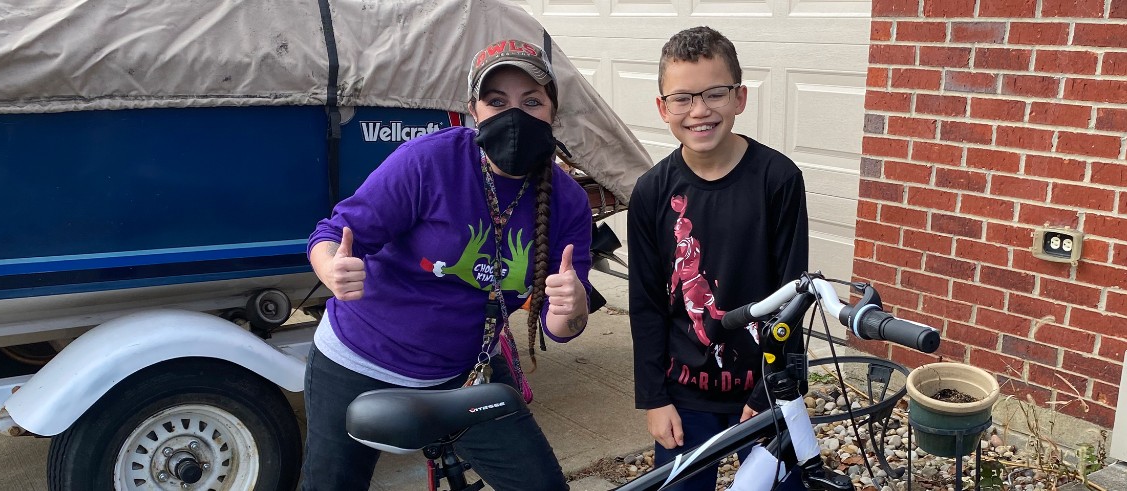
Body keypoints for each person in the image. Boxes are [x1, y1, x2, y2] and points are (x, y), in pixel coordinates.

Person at [300, 38, 593, 491]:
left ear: (553, 112)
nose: (514, 115)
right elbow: (333, 234)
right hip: (359, 360)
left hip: (467, 373)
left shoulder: (568, 201)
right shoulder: (428, 162)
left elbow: (562, 327)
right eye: (497, 101)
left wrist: (570, 309)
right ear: (472, 111)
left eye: (531, 101)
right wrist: (330, 268)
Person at [627, 26, 809, 490]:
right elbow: (646, 303)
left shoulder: (778, 180)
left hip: (763, 389)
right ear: (662, 107)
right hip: (683, 395)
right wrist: (653, 398)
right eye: (683, 98)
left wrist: (770, 386)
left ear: (740, 97)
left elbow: (793, 297)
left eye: (715, 93)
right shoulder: (651, 192)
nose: (700, 110)